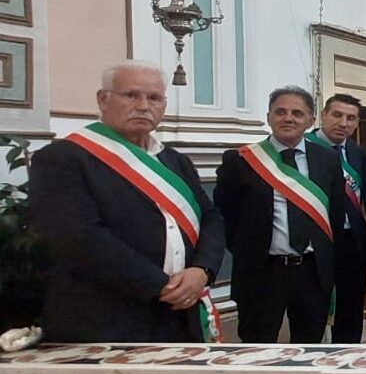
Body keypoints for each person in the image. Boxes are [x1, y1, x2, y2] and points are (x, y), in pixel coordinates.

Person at [30, 63, 225, 344]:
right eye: (131, 95)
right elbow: (78, 237)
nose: (144, 106)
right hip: (107, 317)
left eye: (154, 98)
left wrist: (202, 271)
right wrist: (162, 286)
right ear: (103, 99)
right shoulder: (62, 159)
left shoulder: (175, 161)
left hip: (182, 314)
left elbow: (211, 218)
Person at [215, 86, 345, 346]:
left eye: (297, 113)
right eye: (280, 112)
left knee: (309, 346)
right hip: (262, 271)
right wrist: (246, 249)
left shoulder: (327, 160)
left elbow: (335, 214)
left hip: (311, 271)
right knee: (256, 345)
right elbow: (224, 214)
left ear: (310, 120)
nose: (288, 118)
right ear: (268, 116)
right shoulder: (241, 161)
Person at [306, 93, 366, 344]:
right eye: (337, 115)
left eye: (351, 118)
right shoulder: (304, 147)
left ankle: (349, 361)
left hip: (351, 241)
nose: (343, 123)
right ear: (323, 115)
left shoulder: (360, 154)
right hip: (313, 242)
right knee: (312, 311)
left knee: (351, 310)